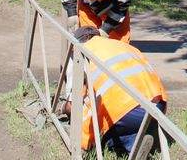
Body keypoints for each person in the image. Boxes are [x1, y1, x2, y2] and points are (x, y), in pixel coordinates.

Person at [68, 26, 168, 155]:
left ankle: (130, 145)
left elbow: (84, 105)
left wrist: (81, 137)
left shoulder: (84, 53)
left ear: (79, 42)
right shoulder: (125, 46)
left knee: (104, 134)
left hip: (126, 111)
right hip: (157, 106)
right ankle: (136, 142)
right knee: (124, 123)